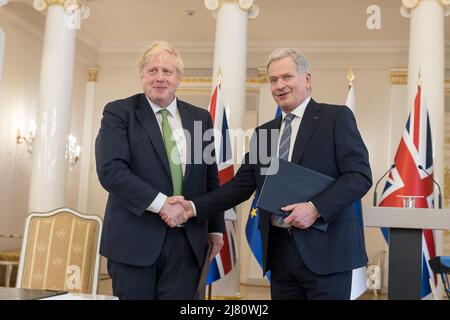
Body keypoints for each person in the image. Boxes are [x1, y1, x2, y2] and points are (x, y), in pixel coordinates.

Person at [167, 48, 372, 300]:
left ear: (307, 79)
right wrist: (192, 207)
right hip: (280, 253)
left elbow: (359, 176)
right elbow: (240, 186)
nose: (279, 85)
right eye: (273, 80)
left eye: (287, 77)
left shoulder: (335, 118)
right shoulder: (264, 134)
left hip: (327, 253)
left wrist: (315, 208)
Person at [95, 41, 224, 300]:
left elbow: (210, 176)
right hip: (134, 240)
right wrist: (162, 204)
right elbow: (111, 171)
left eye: (168, 71)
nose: (160, 78)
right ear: (142, 76)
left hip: (188, 242)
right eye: (152, 70)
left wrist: (215, 227)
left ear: (179, 78)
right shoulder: (119, 112)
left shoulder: (200, 118)